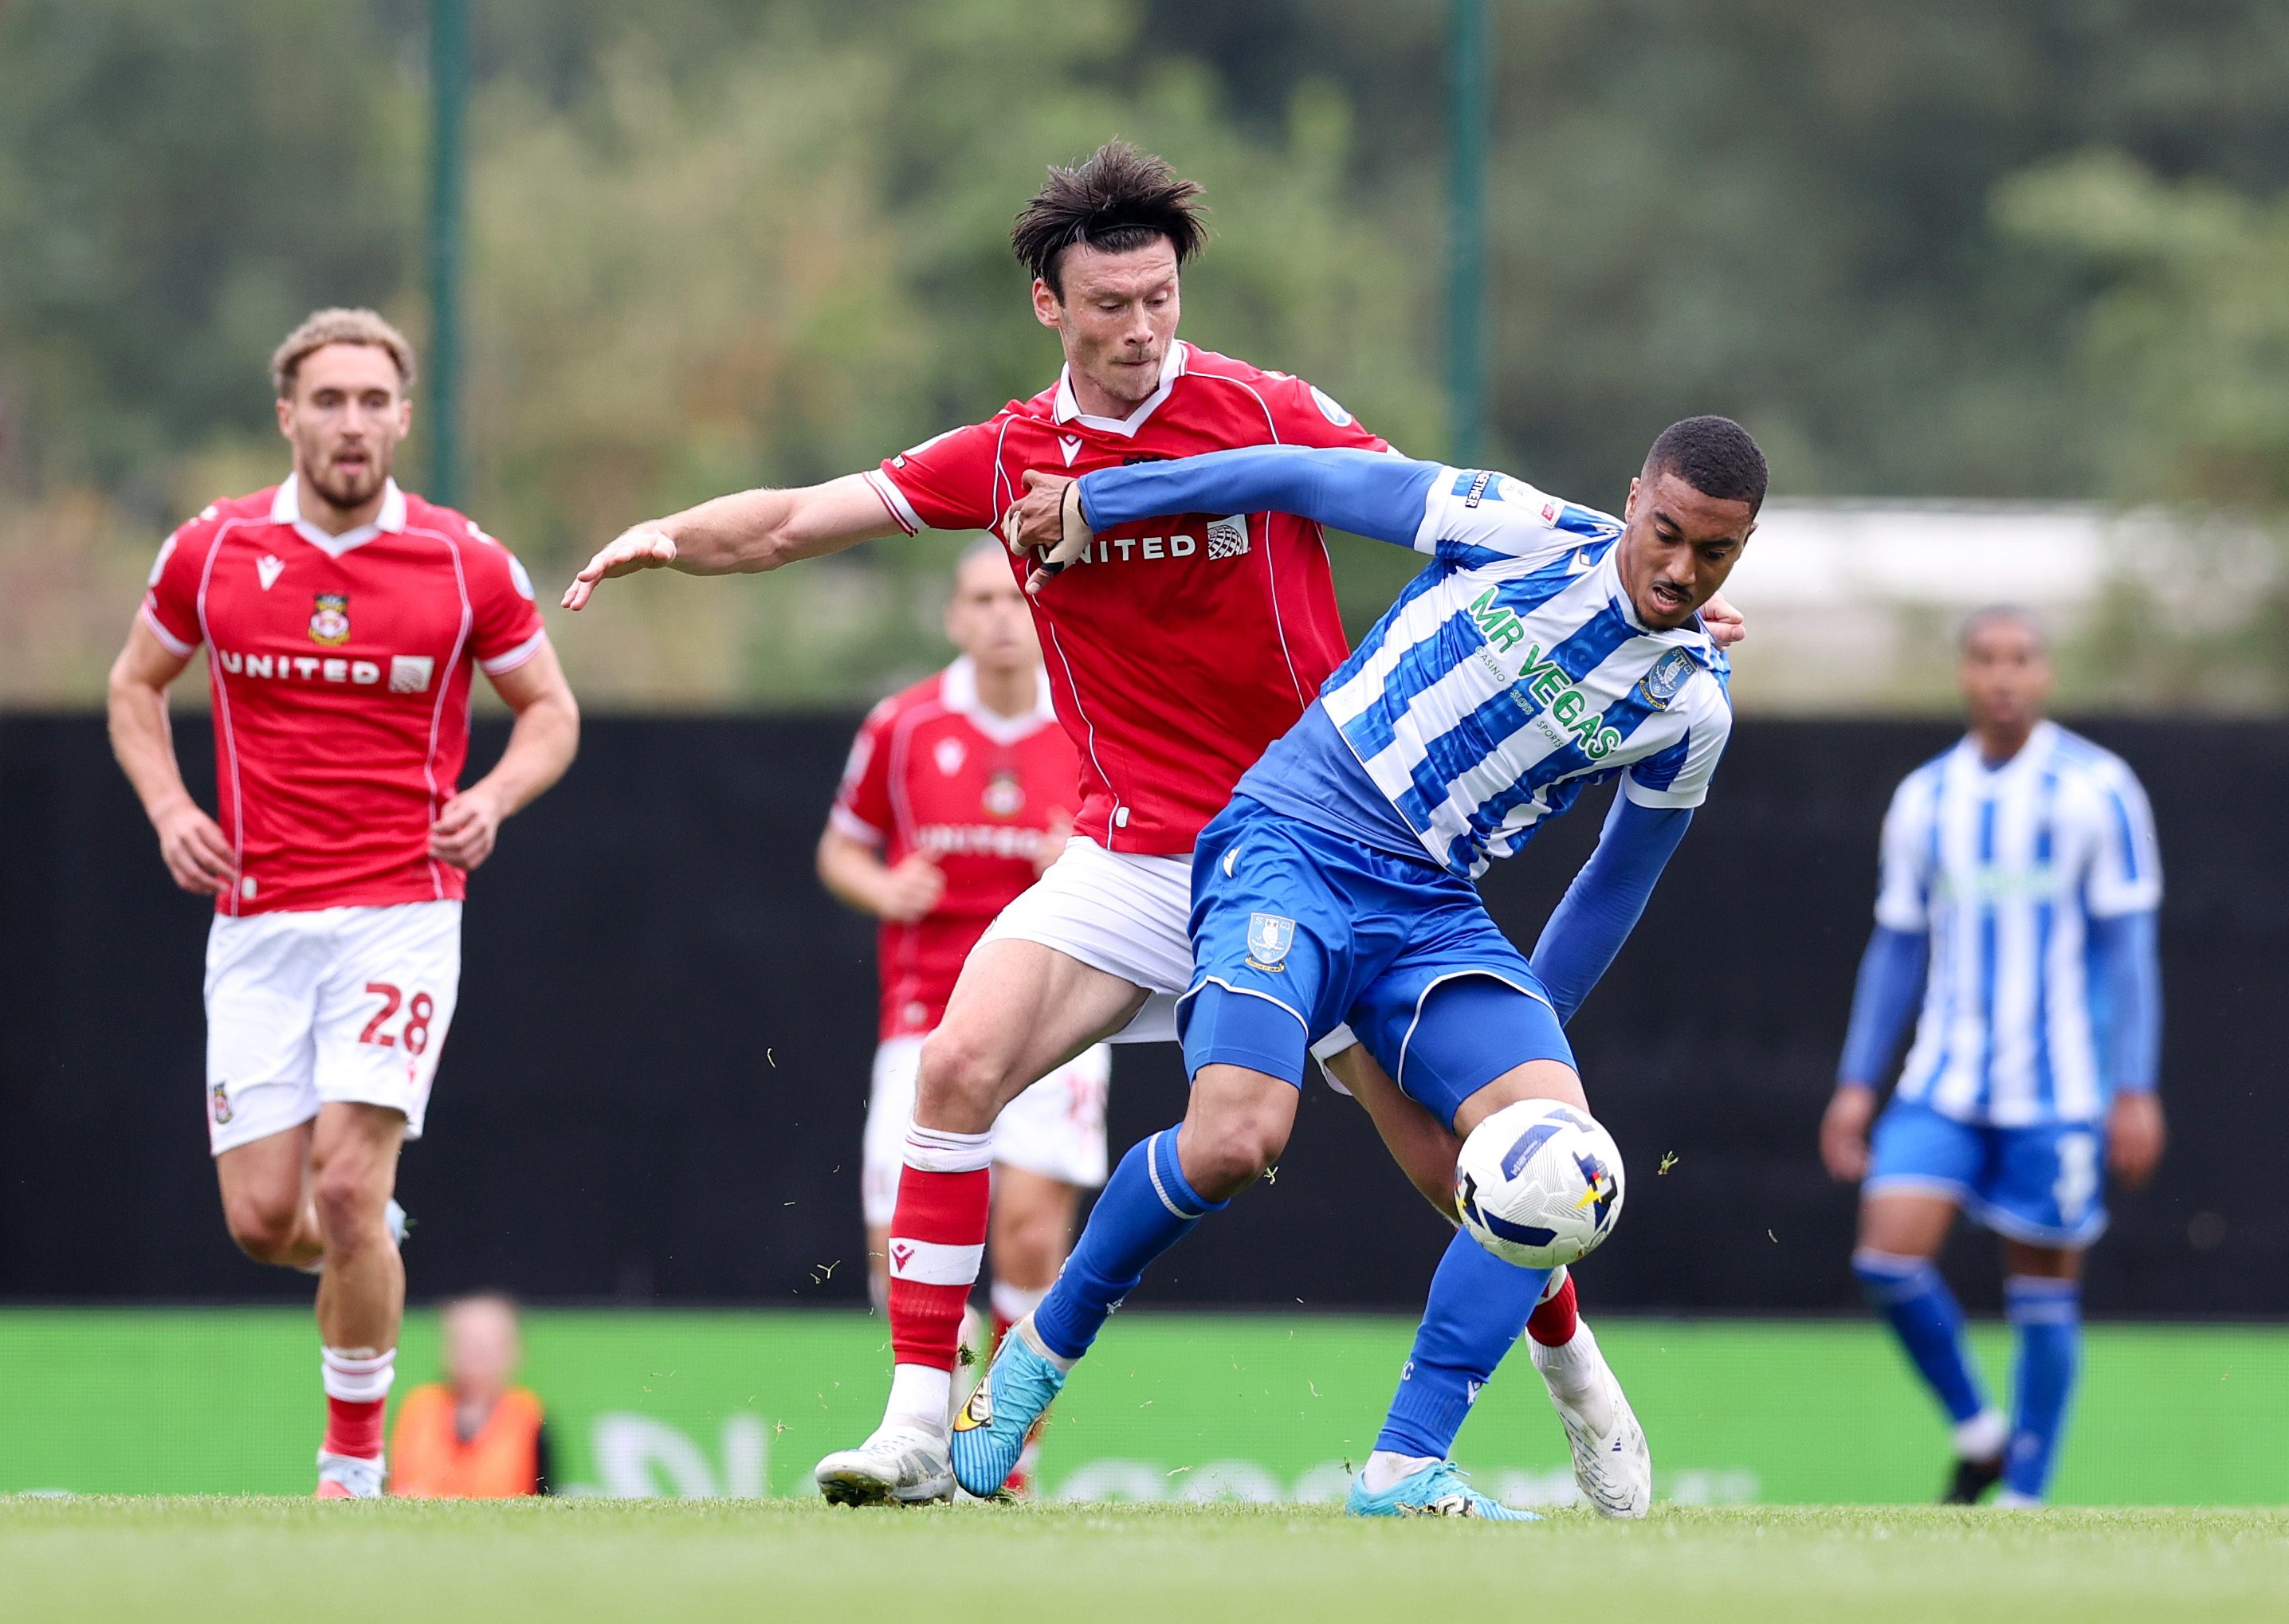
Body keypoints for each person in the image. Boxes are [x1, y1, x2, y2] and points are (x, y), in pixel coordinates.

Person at [562, 143, 1738, 1509]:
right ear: (1049, 305)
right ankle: (917, 1423)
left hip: (1330, 844)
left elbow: (1439, 501)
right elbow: (787, 524)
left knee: (1474, 1171)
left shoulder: (1264, 408)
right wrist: (666, 535)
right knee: (958, 1067)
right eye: (1110, 305)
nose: (1140, 329)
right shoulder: (1008, 455)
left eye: (1161, 299)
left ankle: (1571, 1366)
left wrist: (1646, 571)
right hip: (1139, 853)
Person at [949, 417, 1766, 1518]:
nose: (1680, 570)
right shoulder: (1516, 527)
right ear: (1633, 499)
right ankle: (1038, 1354)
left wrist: (1524, 1036)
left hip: (1429, 911)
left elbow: (1616, 882)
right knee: (1235, 1141)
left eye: (1713, 553)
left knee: (1556, 1160)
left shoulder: (1690, 702)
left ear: (1743, 549)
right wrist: (1099, 502)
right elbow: (1301, 475)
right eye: (1665, 533)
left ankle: (1404, 1464)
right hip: (1288, 843)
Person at [105, 308, 580, 1499]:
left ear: (404, 418)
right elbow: (133, 685)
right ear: (288, 415)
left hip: (401, 911)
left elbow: (551, 711)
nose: (352, 422)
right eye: (329, 400)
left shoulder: (464, 562)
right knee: (268, 1220)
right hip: (257, 918)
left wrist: (495, 797)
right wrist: (169, 808)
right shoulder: (212, 549)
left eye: (374, 401)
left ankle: (351, 1467)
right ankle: (372, 1244)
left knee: (347, 1186)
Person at [1818, 606, 2165, 1506]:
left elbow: (2129, 949)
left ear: (2045, 674)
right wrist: (1856, 1082)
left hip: (2058, 1089)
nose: (2003, 676)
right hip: (1943, 1080)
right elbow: (1895, 948)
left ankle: (2025, 1499)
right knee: (1885, 1260)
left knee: (2043, 1294)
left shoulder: (2097, 788)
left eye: (2021, 658)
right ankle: (1980, 1432)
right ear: (1963, 674)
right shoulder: (1924, 798)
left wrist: (2134, 1086)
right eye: (1985, 658)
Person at [819, 539, 1106, 1493]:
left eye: (1014, 597)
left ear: (1043, 609)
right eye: (979, 599)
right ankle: (933, 1425)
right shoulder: (902, 726)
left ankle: (1006, 1465)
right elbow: (841, 848)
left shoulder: (1090, 718)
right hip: (925, 1014)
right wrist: (883, 886)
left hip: (1058, 1009)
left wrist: (1082, 855)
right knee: (891, 1252)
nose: (998, 616)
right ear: (953, 616)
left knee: (1028, 1235)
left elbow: (1146, 843)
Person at [390, 1294, 551, 1498]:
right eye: (467, 1342)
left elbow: (545, 1498)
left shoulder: (530, 1417)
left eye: (489, 1343)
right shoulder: (419, 1409)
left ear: (515, 1351)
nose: (477, 1353)